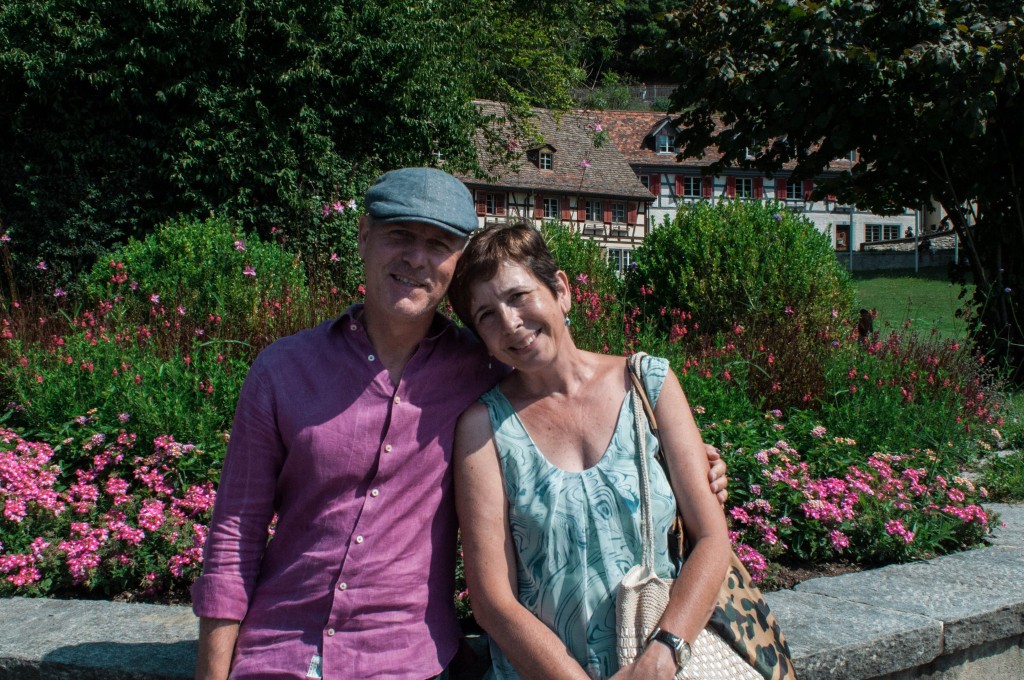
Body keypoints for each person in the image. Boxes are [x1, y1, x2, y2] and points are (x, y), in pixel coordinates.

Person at [192, 170, 729, 680]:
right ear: (362, 238)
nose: (417, 259)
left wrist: (687, 463)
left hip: (403, 657)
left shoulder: (488, 367)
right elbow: (234, 534)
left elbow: (570, 395)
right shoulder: (284, 370)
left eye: (440, 245)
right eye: (399, 235)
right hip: (279, 651)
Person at [448, 222, 732, 680]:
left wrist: (660, 659)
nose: (510, 323)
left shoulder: (649, 386)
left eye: (519, 296)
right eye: (486, 315)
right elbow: (491, 599)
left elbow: (712, 539)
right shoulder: (484, 428)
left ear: (560, 289)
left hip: (661, 663)